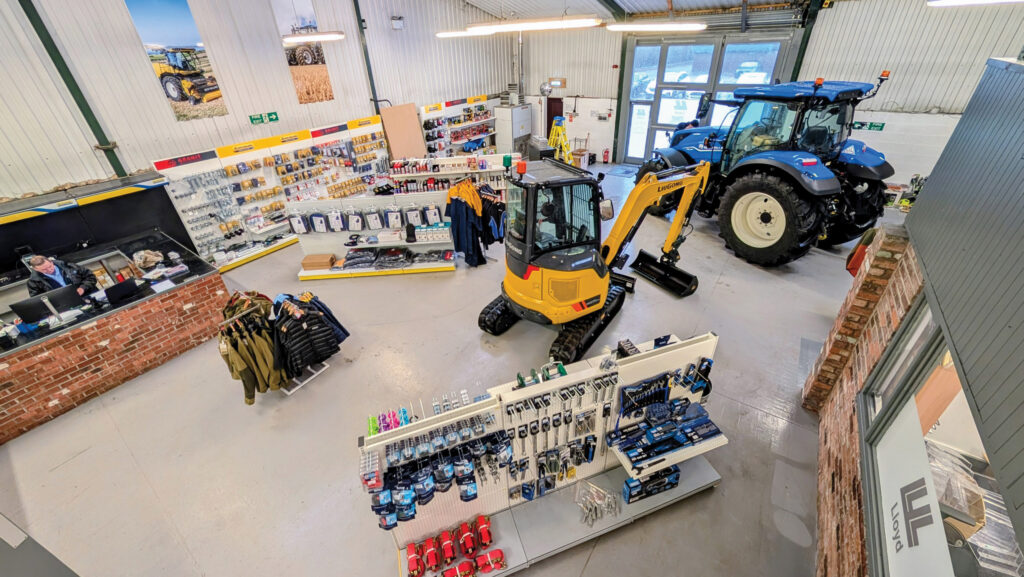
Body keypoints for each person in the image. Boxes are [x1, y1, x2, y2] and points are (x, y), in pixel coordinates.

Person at [26, 255, 98, 297]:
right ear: (36, 269)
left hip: (89, 295)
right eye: (44, 270)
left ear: (51, 262)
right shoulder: (33, 282)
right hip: (65, 307)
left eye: (50, 266)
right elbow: (39, 300)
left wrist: (83, 288)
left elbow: (90, 277)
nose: (49, 270)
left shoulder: (69, 266)